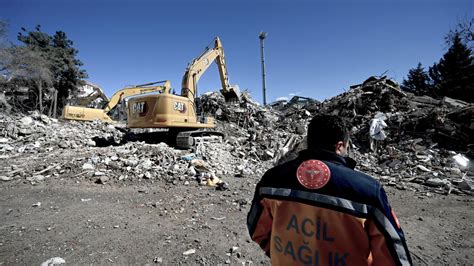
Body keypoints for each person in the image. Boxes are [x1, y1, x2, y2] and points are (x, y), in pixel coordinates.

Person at [247, 114, 412, 266]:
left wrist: (280, 255)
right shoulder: (367, 190)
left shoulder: (272, 178)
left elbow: (257, 228)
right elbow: (392, 249)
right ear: (340, 146)